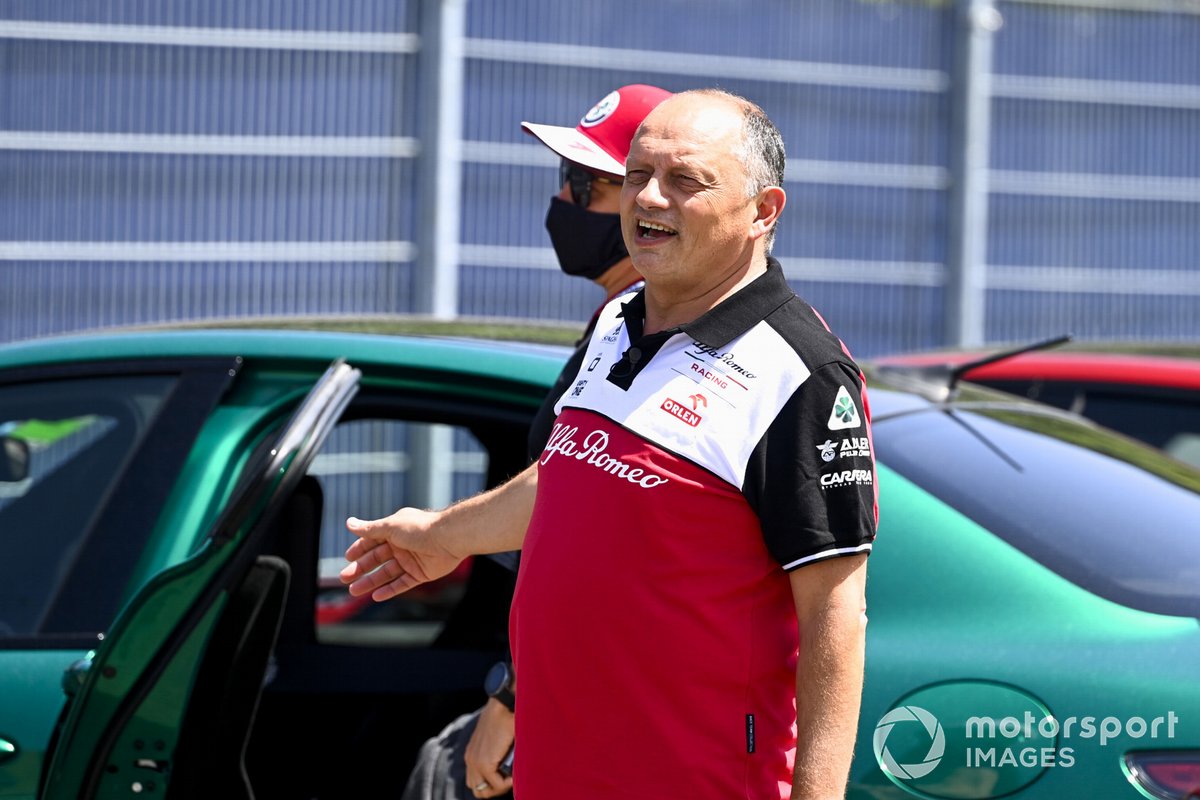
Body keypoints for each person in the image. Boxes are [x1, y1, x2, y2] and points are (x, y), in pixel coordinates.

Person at [345, 88, 877, 800]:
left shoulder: (799, 371)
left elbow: (834, 612)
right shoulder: (619, 319)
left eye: (685, 181)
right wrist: (445, 535)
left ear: (763, 211)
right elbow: (572, 478)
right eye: (634, 177)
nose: (648, 199)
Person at [398, 83, 673, 800]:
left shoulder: (653, 339)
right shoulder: (623, 322)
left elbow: (591, 523)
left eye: (585, 183)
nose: (564, 201)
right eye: (564, 179)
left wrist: (515, 696)